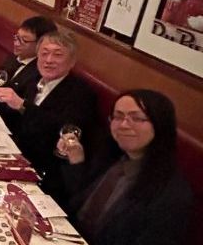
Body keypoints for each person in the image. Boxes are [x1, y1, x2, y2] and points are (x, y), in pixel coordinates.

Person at [59, 90, 192, 245]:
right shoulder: (112, 157)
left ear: (160, 124)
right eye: (118, 116)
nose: (123, 125)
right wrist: (76, 159)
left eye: (136, 118)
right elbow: (78, 200)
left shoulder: (171, 194)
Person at [0, 30, 98, 205]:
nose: (49, 60)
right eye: (44, 53)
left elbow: (60, 132)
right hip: (15, 155)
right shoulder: (35, 80)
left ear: (72, 61)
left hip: (45, 173)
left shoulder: (81, 94)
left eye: (58, 55)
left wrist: (22, 105)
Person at [0, 16, 57, 117]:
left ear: (41, 45)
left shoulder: (39, 72)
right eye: (16, 37)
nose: (16, 43)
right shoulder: (14, 58)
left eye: (23, 40)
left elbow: (20, 113)